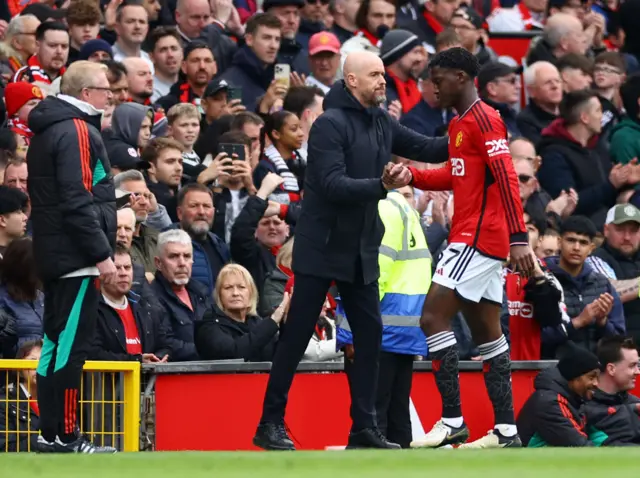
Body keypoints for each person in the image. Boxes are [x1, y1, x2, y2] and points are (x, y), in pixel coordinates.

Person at [253, 50, 448, 451]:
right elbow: (330, 184)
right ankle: (269, 423)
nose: (383, 81)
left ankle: (363, 428)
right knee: (296, 336)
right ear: (352, 80)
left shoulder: (380, 120)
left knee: (371, 336)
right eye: (375, 75)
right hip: (321, 247)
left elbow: (429, 147)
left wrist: (468, 132)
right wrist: (382, 186)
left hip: (361, 248)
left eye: (383, 74)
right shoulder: (328, 125)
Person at [386, 47, 535, 449]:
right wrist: (410, 176)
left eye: (439, 80)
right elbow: (457, 177)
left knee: (432, 317)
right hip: (476, 236)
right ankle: (506, 431)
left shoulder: (485, 119)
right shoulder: (460, 123)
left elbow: (506, 177)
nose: (433, 87)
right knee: (488, 333)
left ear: (462, 78)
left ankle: (452, 420)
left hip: (477, 237)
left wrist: (519, 237)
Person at [26, 61, 117, 454]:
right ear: (85, 94)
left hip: (53, 251)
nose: (110, 94)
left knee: (52, 345)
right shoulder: (78, 129)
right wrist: (102, 253)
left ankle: (49, 434)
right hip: (77, 256)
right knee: (69, 350)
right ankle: (66, 436)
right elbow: (78, 197)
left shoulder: (48, 130)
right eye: (104, 88)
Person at [337, 188, 431, 448]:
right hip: (403, 326)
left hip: (379, 327)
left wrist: (352, 332)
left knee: (372, 418)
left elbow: (372, 277)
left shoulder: (382, 209)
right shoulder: (404, 210)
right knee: (397, 414)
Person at [195, 264, 287, 361]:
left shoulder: (257, 322)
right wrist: (272, 321)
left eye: (241, 287)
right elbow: (234, 353)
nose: (235, 293)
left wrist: (289, 322)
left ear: (251, 292)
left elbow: (282, 355)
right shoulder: (208, 327)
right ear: (219, 294)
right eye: (228, 287)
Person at [517, 342, 601, 447]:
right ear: (574, 376)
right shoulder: (550, 403)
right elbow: (578, 446)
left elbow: (597, 434)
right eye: (591, 377)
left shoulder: (576, 399)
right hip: (531, 462)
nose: (596, 384)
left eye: (598, 378)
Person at [584, 335, 640, 446]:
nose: (638, 372)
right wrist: (631, 409)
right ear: (611, 369)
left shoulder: (634, 402)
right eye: (632, 366)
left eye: (638, 365)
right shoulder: (584, 407)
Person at [0, 339, 42, 452]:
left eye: (44, 360)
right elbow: (4, 446)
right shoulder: (4, 401)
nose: (39, 366)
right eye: (33, 360)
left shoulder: (58, 399)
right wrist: (43, 443)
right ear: (19, 365)